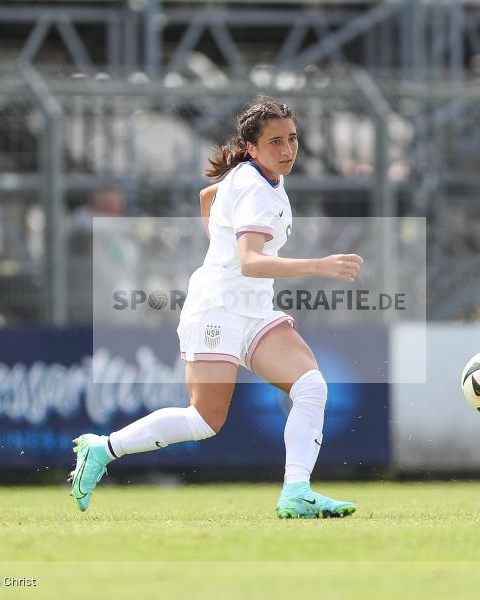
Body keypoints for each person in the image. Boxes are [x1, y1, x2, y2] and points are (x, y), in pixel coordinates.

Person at [70, 98, 364, 518]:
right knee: (204, 421)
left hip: (254, 308)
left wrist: (219, 250)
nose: (287, 150)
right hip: (216, 310)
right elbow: (250, 262)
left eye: (293, 139)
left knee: (311, 387)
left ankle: (296, 492)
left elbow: (208, 196)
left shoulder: (258, 179)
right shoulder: (253, 187)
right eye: (275, 141)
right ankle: (103, 448)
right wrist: (319, 265)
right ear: (251, 147)